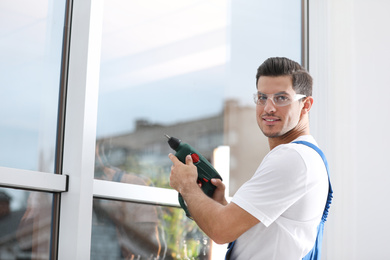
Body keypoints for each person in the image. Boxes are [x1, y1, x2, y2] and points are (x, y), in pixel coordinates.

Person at [168, 57, 330, 259]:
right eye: (262, 97)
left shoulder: (293, 157)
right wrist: (221, 205)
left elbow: (221, 230)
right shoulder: (304, 157)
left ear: (306, 105)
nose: (268, 108)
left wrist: (187, 186)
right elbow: (257, 236)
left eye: (281, 98)